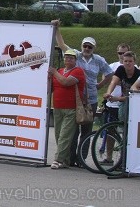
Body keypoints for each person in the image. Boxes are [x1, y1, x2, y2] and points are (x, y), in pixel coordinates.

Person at [53, 20, 113, 167]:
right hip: (75, 99)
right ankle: (70, 158)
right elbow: (62, 45)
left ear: (93, 48)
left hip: (90, 99)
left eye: (90, 46)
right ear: (81, 46)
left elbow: (110, 73)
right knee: (72, 131)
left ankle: (81, 159)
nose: (87, 48)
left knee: (86, 130)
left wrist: (100, 85)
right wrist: (57, 28)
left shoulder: (99, 60)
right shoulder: (76, 55)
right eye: (85, 45)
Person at [49, 49, 86, 169]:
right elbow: (51, 87)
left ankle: (57, 159)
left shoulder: (78, 71)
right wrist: (49, 77)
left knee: (65, 135)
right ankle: (65, 160)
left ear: (75, 60)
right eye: (66, 57)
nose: (68, 59)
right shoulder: (60, 71)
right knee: (59, 134)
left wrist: (54, 73)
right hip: (57, 107)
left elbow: (65, 82)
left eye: (71, 58)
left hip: (71, 108)